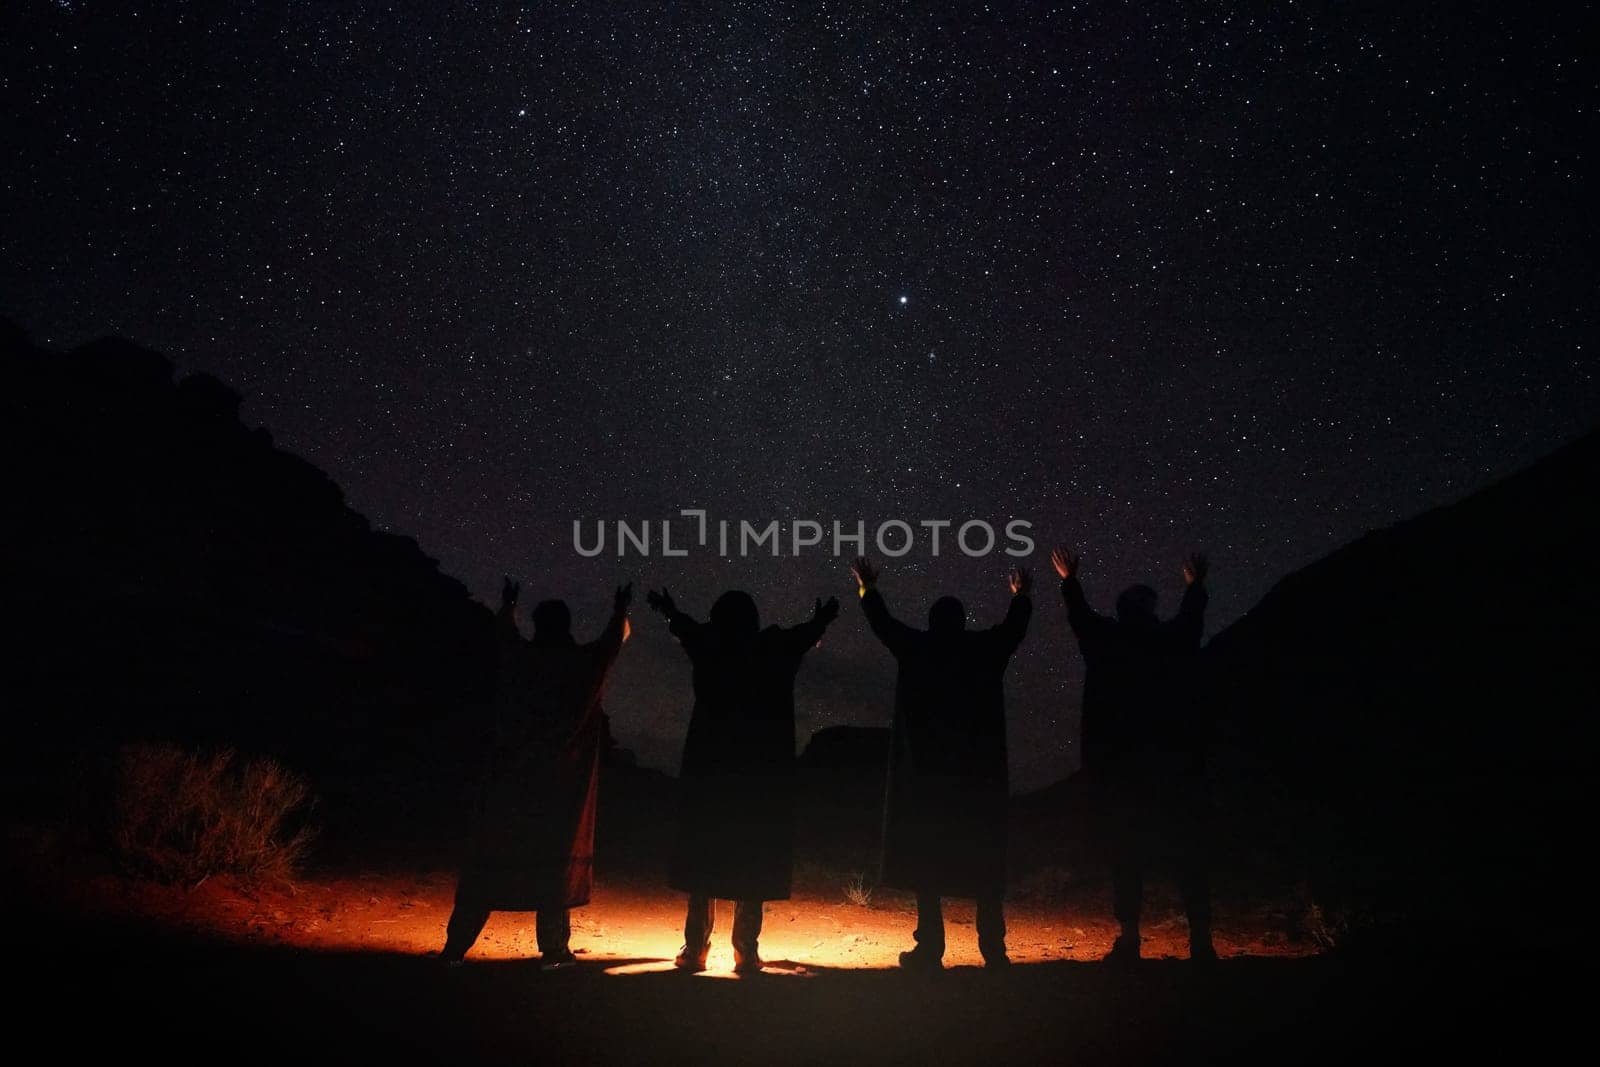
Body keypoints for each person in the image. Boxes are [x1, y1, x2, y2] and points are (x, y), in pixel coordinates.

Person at [851, 555, 1032, 970]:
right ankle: (994, 951)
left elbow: (884, 625)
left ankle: (930, 949)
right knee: (981, 859)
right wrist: (1021, 597)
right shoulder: (983, 650)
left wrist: (868, 589)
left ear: (933, 621)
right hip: (974, 780)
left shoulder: (918, 647)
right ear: (962, 621)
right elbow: (1013, 631)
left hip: (928, 780)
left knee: (927, 859)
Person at [647, 586, 839, 974]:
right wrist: (823, 618)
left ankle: (695, 949)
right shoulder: (773, 648)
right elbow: (803, 636)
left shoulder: (711, 645)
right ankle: (745, 951)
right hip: (759, 779)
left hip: (712, 773)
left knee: (705, 854)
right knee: (753, 855)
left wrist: (669, 608)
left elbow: (686, 628)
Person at [440, 577, 632, 965]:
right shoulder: (579, 665)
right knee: (553, 862)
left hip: (511, 782)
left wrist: (509, 604)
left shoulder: (520, 660)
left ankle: (455, 948)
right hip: (559, 787)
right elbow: (610, 645)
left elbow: (503, 635)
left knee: (493, 858)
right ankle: (554, 950)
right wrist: (619, 612)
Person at [1053, 546, 1214, 964]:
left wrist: (1070, 580)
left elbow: (1081, 619)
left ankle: (1129, 939)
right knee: (1185, 850)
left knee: (1127, 855)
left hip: (1122, 770)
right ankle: (1200, 940)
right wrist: (1195, 587)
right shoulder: (1170, 641)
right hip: (1171, 766)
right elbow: (1191, 621)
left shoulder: (1107, 641)